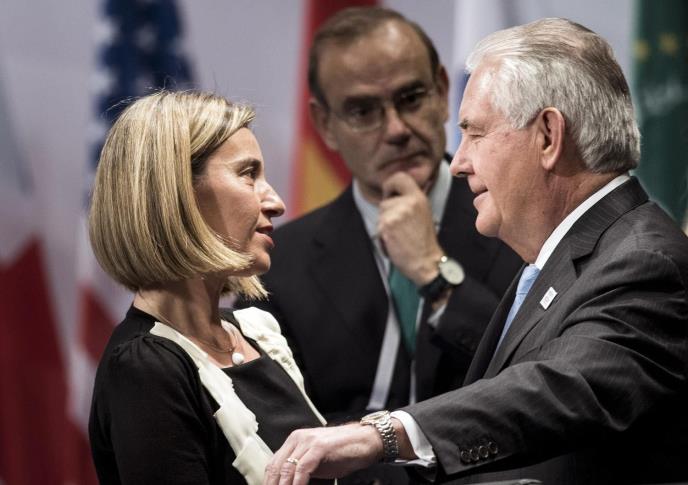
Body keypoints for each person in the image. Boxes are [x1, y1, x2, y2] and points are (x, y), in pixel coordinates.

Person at [264, 18, 688, 485]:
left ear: (548, 136)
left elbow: (556, 386)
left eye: (476, 133)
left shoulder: (645, 263)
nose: (459, 162)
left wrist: (385, 433)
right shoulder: (560, 256)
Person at [237, 9, 520, 482]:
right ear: (325, 124)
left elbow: (538, 375)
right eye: (363, 111)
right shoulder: (277, 265)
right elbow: (274, 430)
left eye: (411, 98)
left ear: (443, 92)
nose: (396, 129)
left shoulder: (522, 221)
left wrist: (433, 272)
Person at [87, 90, 333, 485]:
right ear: (177, 193)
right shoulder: (145, 368)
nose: (276, 202)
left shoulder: (257, 333)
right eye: (248, 174)